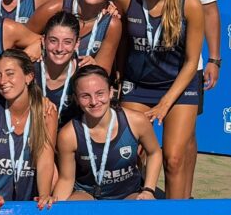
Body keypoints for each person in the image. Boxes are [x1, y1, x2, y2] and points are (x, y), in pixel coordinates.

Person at [116, 0, 221, 196]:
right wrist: (115, 79)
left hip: (178, 84)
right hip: (137, 84)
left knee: (174, 159)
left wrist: (165, 103)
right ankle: (134, 209)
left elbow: (191, 61)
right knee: (127, 153)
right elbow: (116, 38)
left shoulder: (190, 2)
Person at [53, 65, 162, 201]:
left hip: (128, 194)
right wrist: (55, 208)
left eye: (100, 93)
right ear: (76, 99)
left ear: (111, 92)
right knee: (75, 207)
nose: (94, 102)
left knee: (141, 206)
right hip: (87, 194)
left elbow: (154, 153)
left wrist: (148, 190)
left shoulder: (136, 121)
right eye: (85, 96)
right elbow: (66, 179)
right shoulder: (68, 135)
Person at [0, 49, 58, 211]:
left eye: (10, 74)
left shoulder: (46, 112)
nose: (3, 81)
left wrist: (44, 195)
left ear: (29, 77)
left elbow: (45, 161)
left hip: (24, 208)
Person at [27, 0, 122, 72]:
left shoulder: (111, 24)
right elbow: (21, 38)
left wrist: (94, 67)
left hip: (80, 81)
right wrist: (38, 43)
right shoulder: (56, 7)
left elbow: (104, 70)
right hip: (45, 77)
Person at [34, 11, 81, 126]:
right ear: (43, 40)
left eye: (67, 42)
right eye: (53, 41)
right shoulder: (29, 70)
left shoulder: (83, 74)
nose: (59, 48)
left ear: (77, 43)